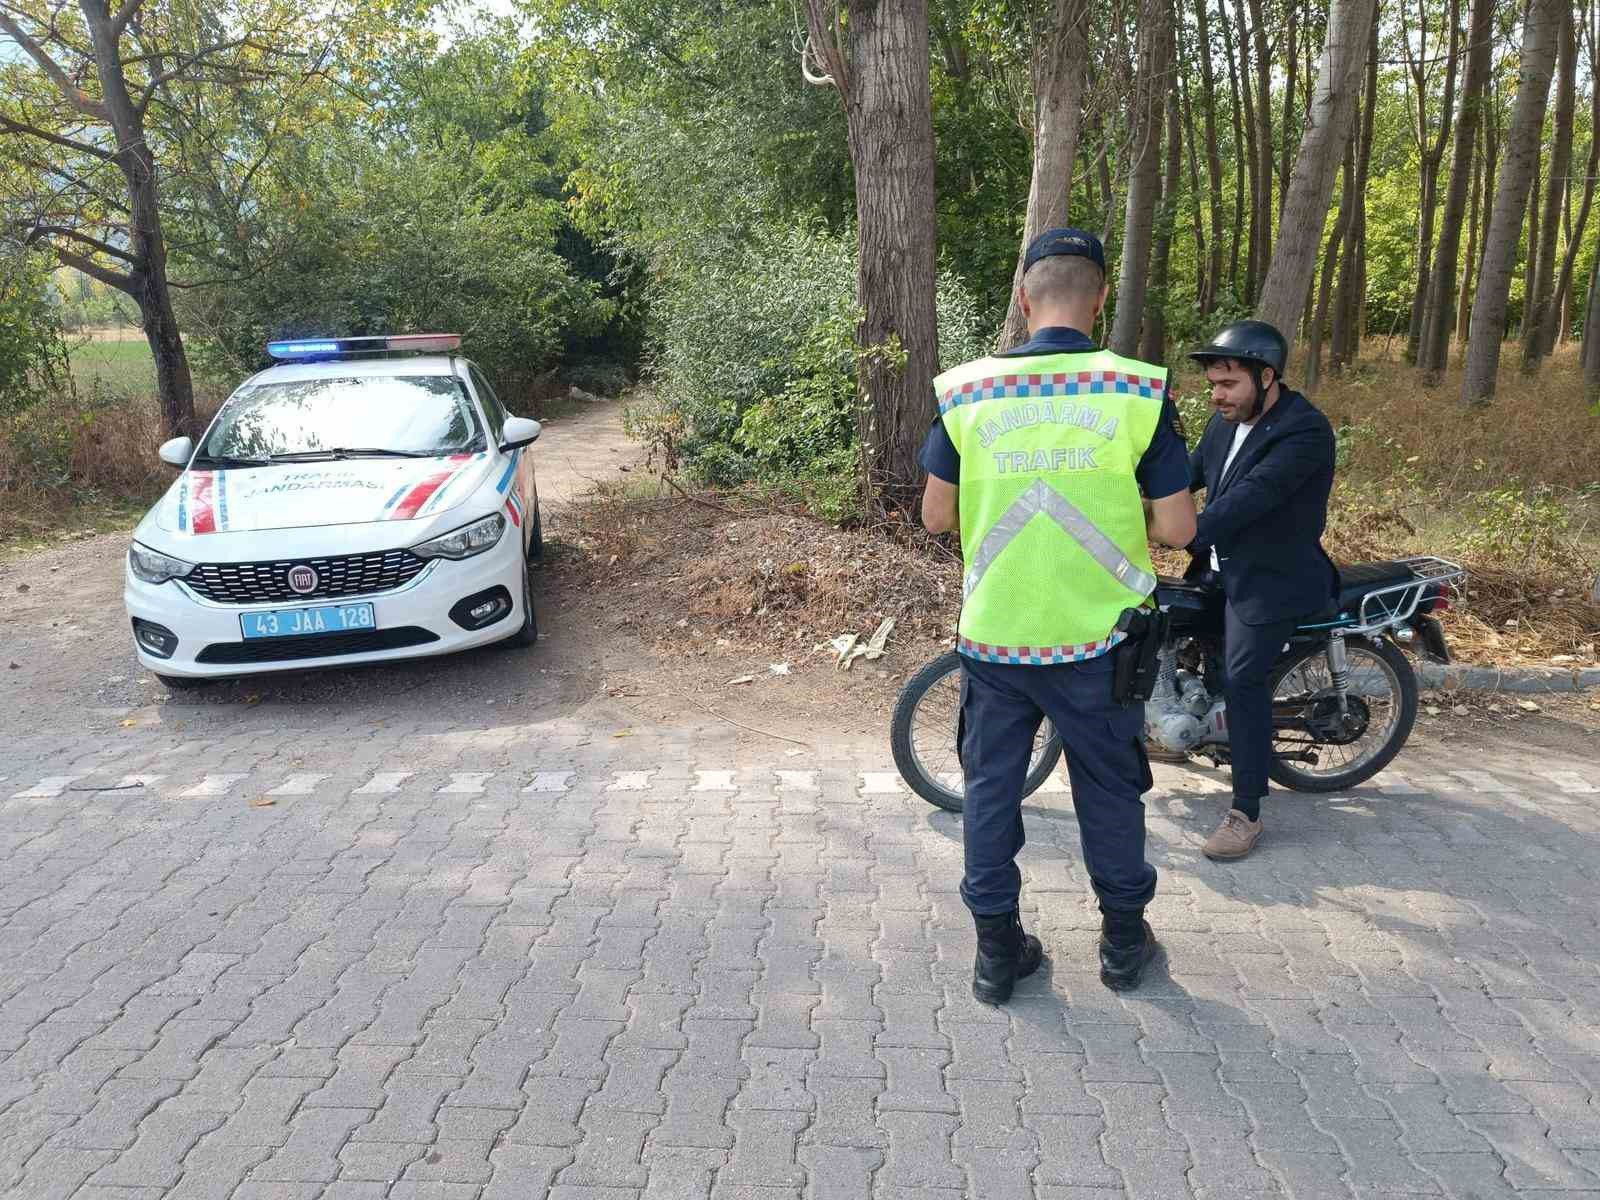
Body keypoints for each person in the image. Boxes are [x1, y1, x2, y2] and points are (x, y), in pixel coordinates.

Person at [919, 228, 1197, 999]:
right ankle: (1119, 945)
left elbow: (935, 517)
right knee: (1109, 793)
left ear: (1023, 297)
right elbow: (1177, 530)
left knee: (990, 794)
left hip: (997, 640)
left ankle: (995, 954)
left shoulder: (967, 392)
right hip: (1101, 644)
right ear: (1101, 298)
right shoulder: (1137, 390)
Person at [1185, 320, 1338, 861]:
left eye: (1227, 383)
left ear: (1266, 376)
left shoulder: (1305, 431)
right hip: (1220, 569)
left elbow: (1251, 499)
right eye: (1212, 385)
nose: (1217, 395)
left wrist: (1184, 528)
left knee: (1242, 678)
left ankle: (1246, 810)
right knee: (1159, 624)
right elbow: (1187, 476)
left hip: (1273, 579)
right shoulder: (1224, 423)